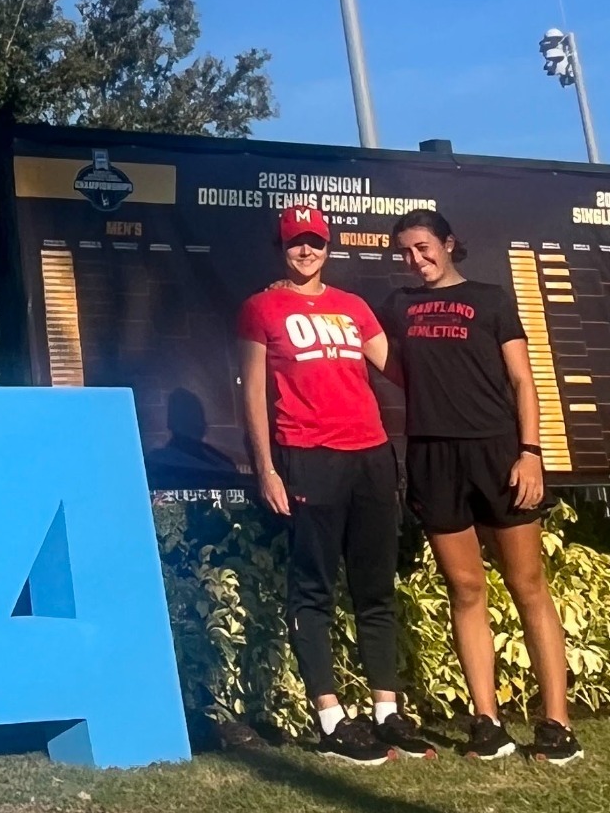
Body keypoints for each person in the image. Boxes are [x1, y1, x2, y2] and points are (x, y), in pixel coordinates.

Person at [380, 209, 582, 764]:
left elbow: (523, 379)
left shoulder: (491, 299)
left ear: (449, 244)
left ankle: (557, 726)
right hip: (431, 456)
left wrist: (531, 453)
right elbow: (379, 354)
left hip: (498, 454)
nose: (415, 260)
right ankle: (487, 723)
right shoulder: (398, 305)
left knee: (528, 585)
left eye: (423, 247)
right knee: (465, 590)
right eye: (405, 252)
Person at [238, 204, 434, 763]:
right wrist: (267, 469)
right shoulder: (260, 308)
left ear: (329, 247)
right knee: (314, 590)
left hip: (371, 455)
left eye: (316, 242)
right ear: (282, 246)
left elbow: (398, 368)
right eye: (297, 242)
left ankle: (387, 712)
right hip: (308, 457)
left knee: (375, 589)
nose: (307, 251)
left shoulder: (353, 307)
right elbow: (252, 392)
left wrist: (453, 355)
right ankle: (329, 717)